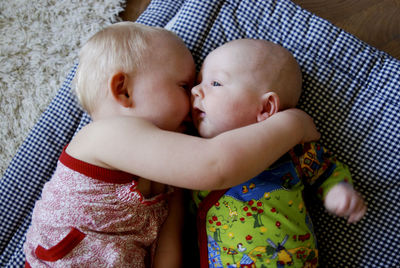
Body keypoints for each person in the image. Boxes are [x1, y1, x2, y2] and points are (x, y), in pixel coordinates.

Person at [23, 23, 320, 268]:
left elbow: (167, 247)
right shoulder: (104, 135)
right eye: (183, 85)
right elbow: (216, 166)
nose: (194, 95)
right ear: (123, 90)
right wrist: (289, 126)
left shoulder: (167, 172)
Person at [191, 39, 367, 268]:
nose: (195, 90)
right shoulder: (191, 150)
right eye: (197, 81)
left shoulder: (289, 152)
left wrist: (337, 190)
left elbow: (326, 169)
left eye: (215, 83)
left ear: (265, 108)